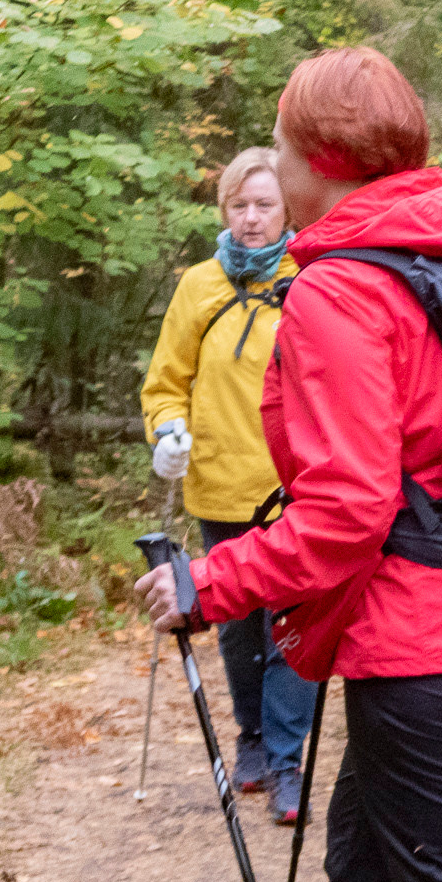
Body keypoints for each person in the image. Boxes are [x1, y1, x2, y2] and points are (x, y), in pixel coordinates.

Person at [136, 45, 442, 882]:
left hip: (423, 643)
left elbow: (346, 513)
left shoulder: (343, 289)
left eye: (281, 147)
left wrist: (209, 584)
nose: (274, 166)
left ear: (322, 162)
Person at [139, 146, 317, 826]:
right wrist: (167, 433)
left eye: (264, 205)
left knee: (291, 627)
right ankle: (250, 738)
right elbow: (165, 383)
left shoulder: (313, 279)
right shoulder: (198, 286)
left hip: (294, 488)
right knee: (238, 630)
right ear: (224, 212)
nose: (250, 218)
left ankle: (285, 760)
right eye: (239, 206)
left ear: (286, 211)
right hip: (217, 484)